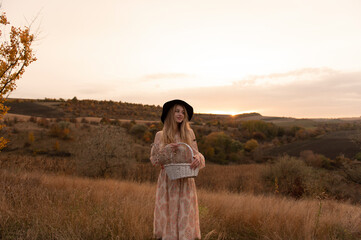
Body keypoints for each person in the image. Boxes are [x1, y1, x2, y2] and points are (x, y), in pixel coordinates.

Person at [150, 99, 206, 240]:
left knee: (185, 216)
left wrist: (199, 158)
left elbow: (196, 153)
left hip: (186, 181)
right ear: (170, 113)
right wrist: (168, 150)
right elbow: (155, 160)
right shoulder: (160, 135)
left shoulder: (189, 133)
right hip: (168, 182)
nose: (180, 114)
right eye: (177, 111)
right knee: (169, 214)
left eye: (183, 112)